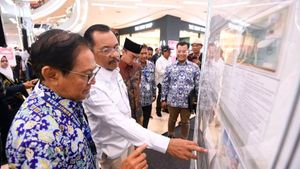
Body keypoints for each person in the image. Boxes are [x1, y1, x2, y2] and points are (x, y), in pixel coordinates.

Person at [5, 29, 147, 169]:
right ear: (51, 74)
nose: (93, 81)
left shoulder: (68, 98)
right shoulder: (34, 139)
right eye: (86, 75)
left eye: (93, 72)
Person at [83, 24, 207, 169]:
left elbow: (125, 111)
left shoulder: (114, 70)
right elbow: (119, 122)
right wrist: (167, 144)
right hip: (113, 152)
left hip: (128, 141)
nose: (115, 54)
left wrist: (135, 140)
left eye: (116, 47)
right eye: (106, 50)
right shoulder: (92, 85)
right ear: (90, 52)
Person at [0, 55, 36, 165]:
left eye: (6, 60)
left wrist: (29, 95)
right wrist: (24, 86)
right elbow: (4, 91)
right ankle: (6, 156)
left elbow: (17, 84)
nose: (5, 62)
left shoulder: (11, 71)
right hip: (6, 107)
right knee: (7, 130)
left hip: (17, 104)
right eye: (2, 61)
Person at [161, 41, 200, 139]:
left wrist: (198, 100)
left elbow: (198, 85)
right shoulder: (170, 67)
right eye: (179, 51)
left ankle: (183, 139)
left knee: (185, 122)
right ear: (176, 52)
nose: (181, 53)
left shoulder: (194, 68)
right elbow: (165, 84)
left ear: (188, 51)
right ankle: (170, 136)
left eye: (184, 51)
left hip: (187, 103)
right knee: (172, 120)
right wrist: (163, 99)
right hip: (172, 101)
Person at [119, 38, 143, 123]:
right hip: (123, 114)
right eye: (133, 57)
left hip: (138, 111)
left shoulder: (138, 67)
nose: (135, 60)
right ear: (123, 52)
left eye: (137, 58)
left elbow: (138, 85)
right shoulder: (115, 69)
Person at [139, 44, 156, 128]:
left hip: (148, 99)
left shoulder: (151, 65)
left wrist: (154, 94)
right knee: (137, 124)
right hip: (137, 101)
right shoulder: (133, 65)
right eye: (141, 53)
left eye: (146, 53)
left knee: (146, 122)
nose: (144, 55)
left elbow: (153, 80)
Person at [155, 45, 172, 117]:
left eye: (170, 51)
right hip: (160, 81)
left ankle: (165, 108)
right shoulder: (159, 60)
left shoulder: (170, 60)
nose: (169, 53)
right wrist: (168, 72)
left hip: (168, 82)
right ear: (164, 52)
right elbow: (160, 71)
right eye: (168, 52)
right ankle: (158, 110)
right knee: (161, 95)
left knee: (167, 95)